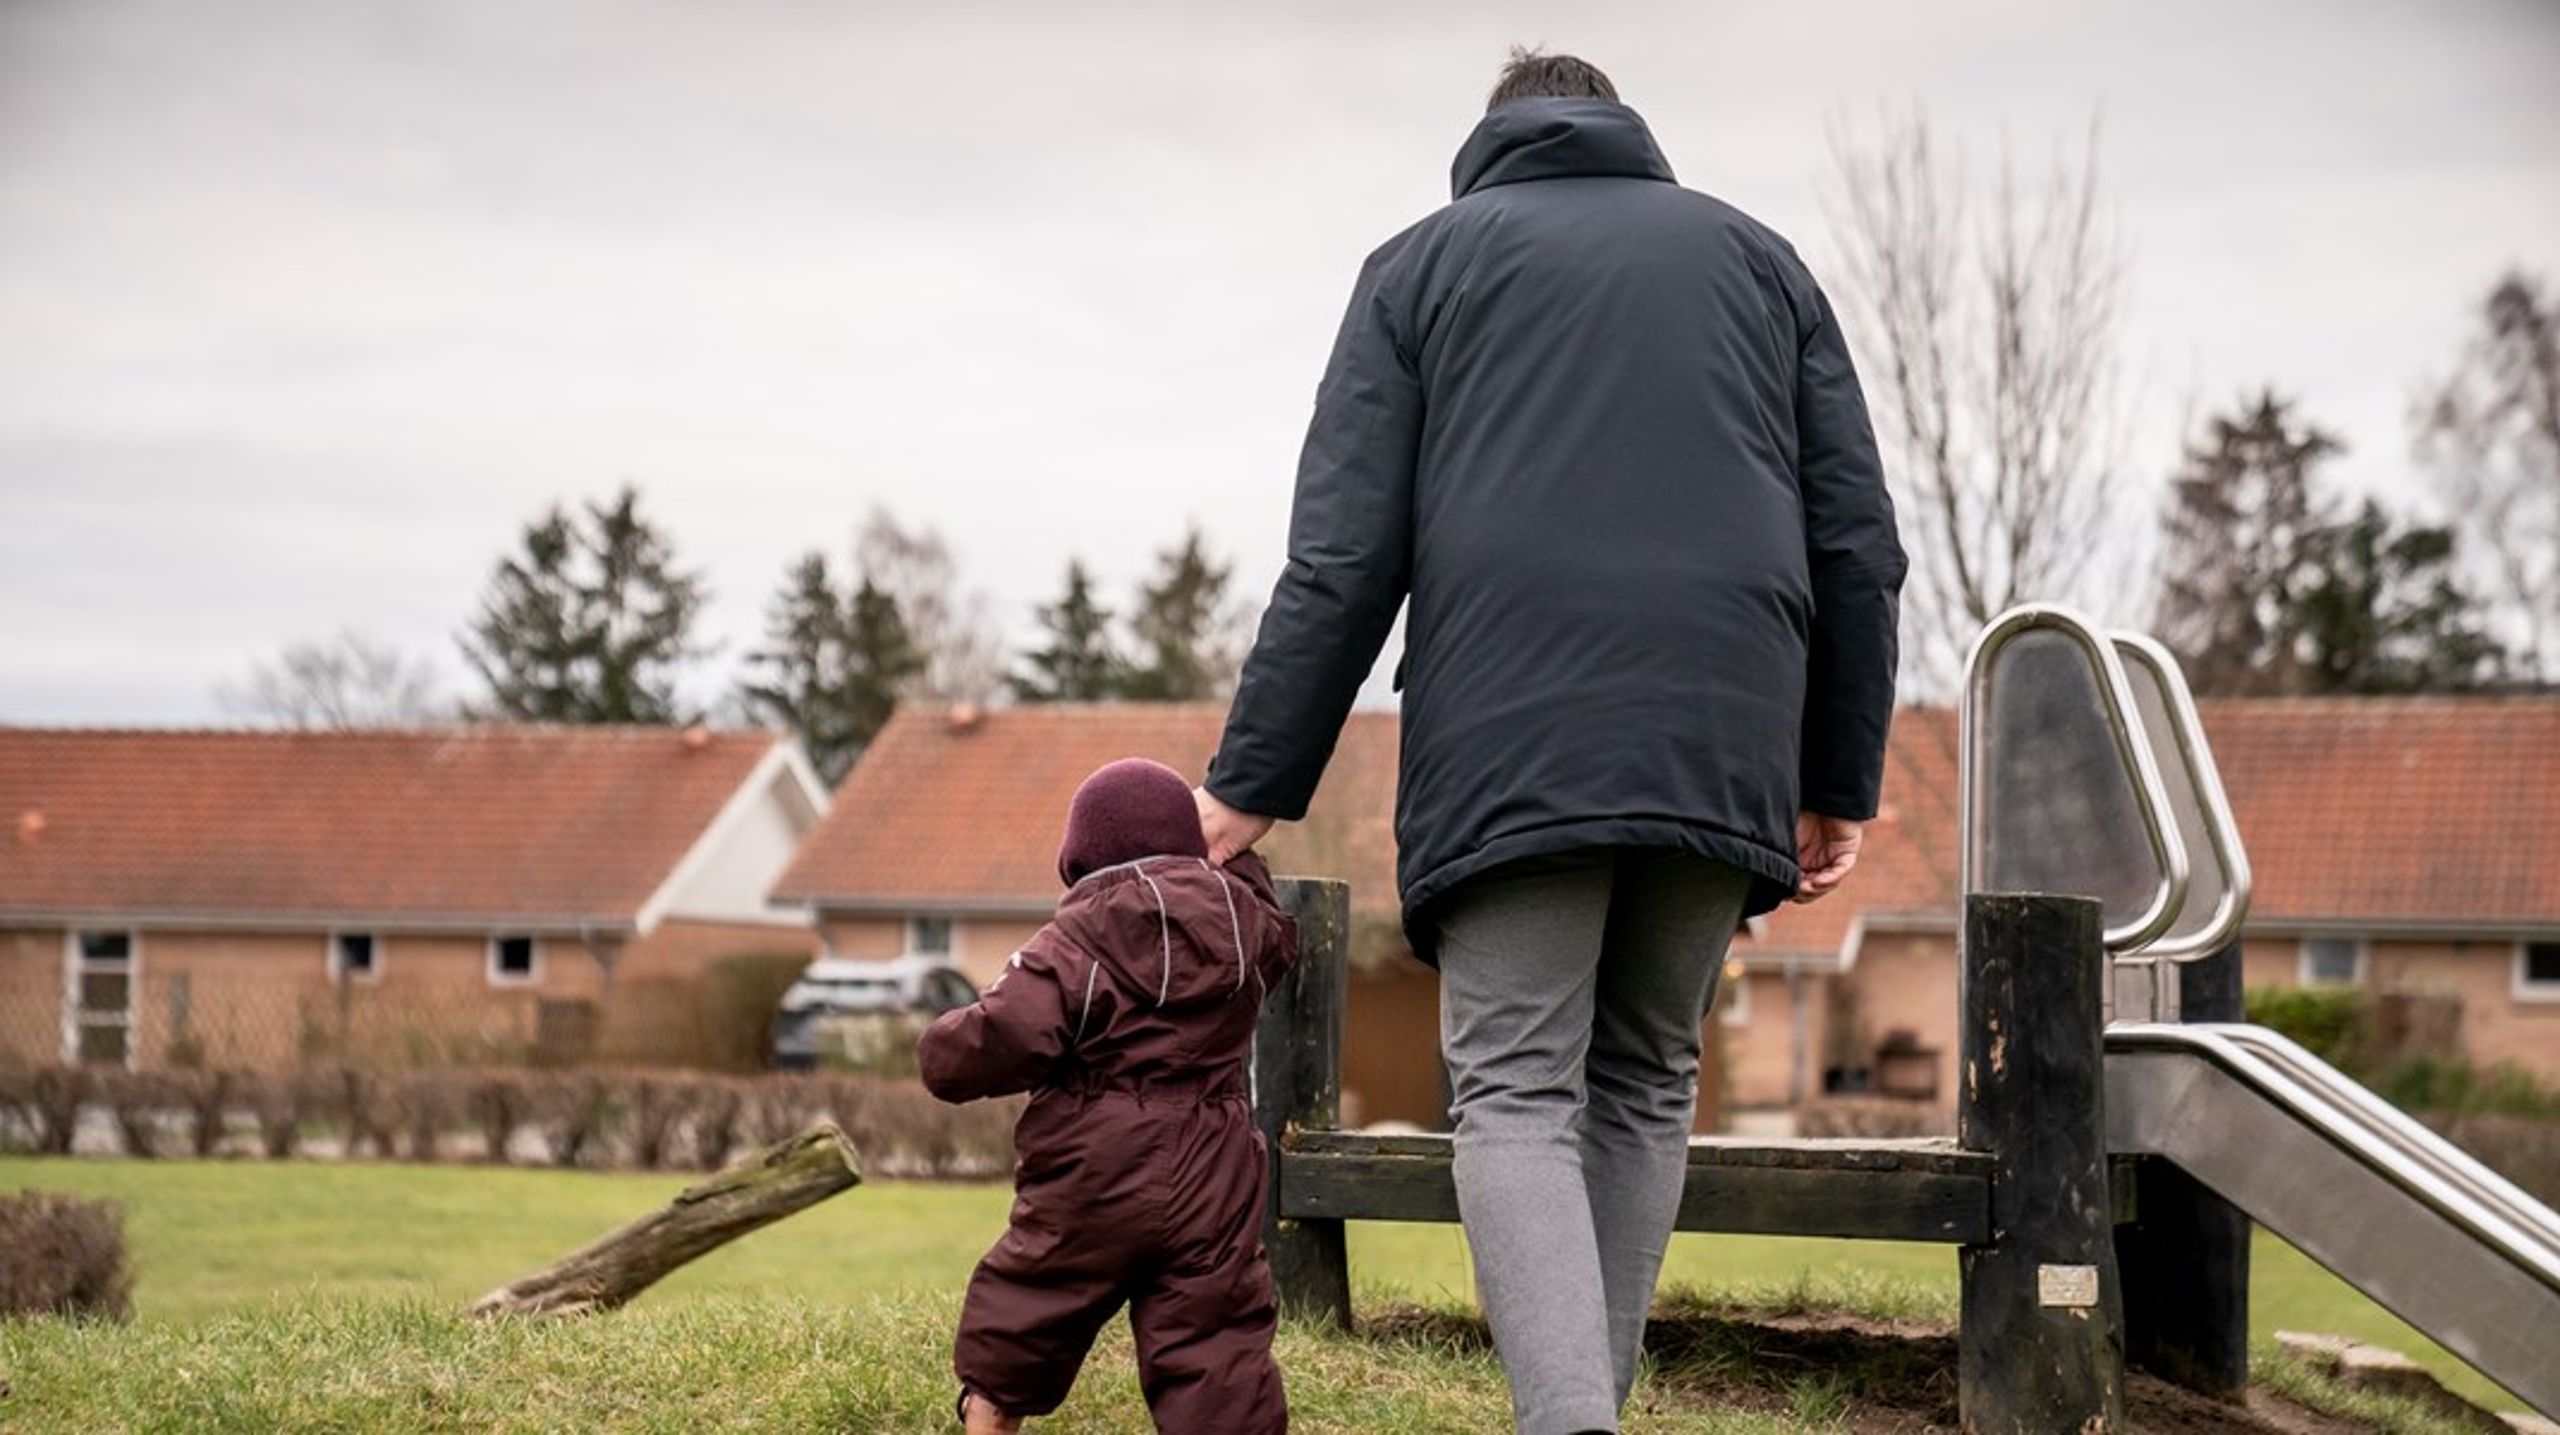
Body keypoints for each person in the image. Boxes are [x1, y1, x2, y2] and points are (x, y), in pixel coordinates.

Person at [1195, 48, 1908, 1435]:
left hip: (1515, 728)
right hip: (1727, 725)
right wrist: (1837, 777)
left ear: (1490, 141)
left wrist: (1247, 783)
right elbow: (1858, 548)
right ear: (1623, 125)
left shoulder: (1419, 270)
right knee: (1646, 1075)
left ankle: (1571, 1419)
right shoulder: (1764, 267)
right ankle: (1586, 1409)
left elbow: (1343, 557)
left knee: (1515, 1086)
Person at [919, 757, 1299, 1435]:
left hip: (1095, 1169)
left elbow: (1008, 1030)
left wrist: (941, 1053)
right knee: (1216, 1335)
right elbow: (1274, 925)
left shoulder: (1075, 939)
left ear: (1082, 857)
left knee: (1034, 1296)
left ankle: (991, 1416)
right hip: (1216, 1169)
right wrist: (1234, 861)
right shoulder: (1242, 925)